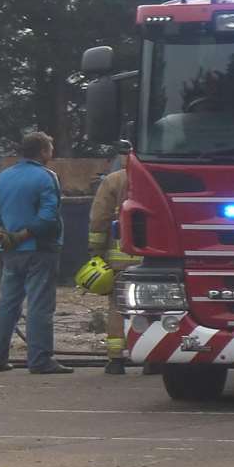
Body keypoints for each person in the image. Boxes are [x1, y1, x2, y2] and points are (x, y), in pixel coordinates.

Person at [0, 131, 71, 374]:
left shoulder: (2, 177)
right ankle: (40, 360)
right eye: (50, 149)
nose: (51, 153)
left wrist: (2, 232)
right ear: (42, 151)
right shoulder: (45, 177)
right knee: (40, 305)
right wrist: (25, 234)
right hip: (40, 250)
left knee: (7, 305)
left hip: (10, 252)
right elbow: (48, 216)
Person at [80, 159, 135, 375]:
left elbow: (99, 220)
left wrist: (95, 251)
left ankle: (115, 359)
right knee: (154, 309)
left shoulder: (113, 181)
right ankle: (152, 359)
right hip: (153, 260)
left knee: (118, 307)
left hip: (120, 259)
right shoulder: (158, 177)